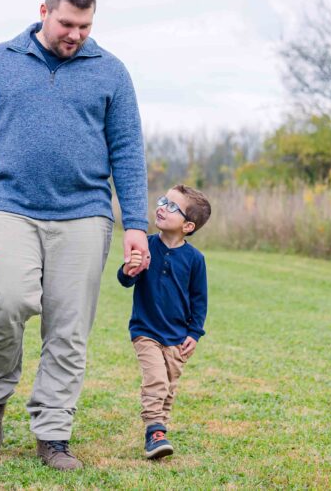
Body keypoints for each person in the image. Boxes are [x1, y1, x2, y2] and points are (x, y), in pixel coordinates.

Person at [0, 0, 150, 471]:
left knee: (68, 328)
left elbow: (129, 150)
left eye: (85, 27)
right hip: (10, 205)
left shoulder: (111, 72)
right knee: (3, 302)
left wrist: (136, 222)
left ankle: (53, 432)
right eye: (67, 23)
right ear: (44, 11)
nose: (75, 34)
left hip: (85, 213)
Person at [117, 184, 210, 460]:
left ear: (188, 225)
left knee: (169, 385)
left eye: (172, 206)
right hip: (145, 330)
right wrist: (129, 268)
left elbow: (199, 299)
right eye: (162, 201)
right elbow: (125, 280)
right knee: (156, 379)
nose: (161, 207)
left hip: (178, 336)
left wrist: (194, 332)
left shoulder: (195, 259)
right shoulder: (146, 245)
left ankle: (160, 429)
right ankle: (153, 429)